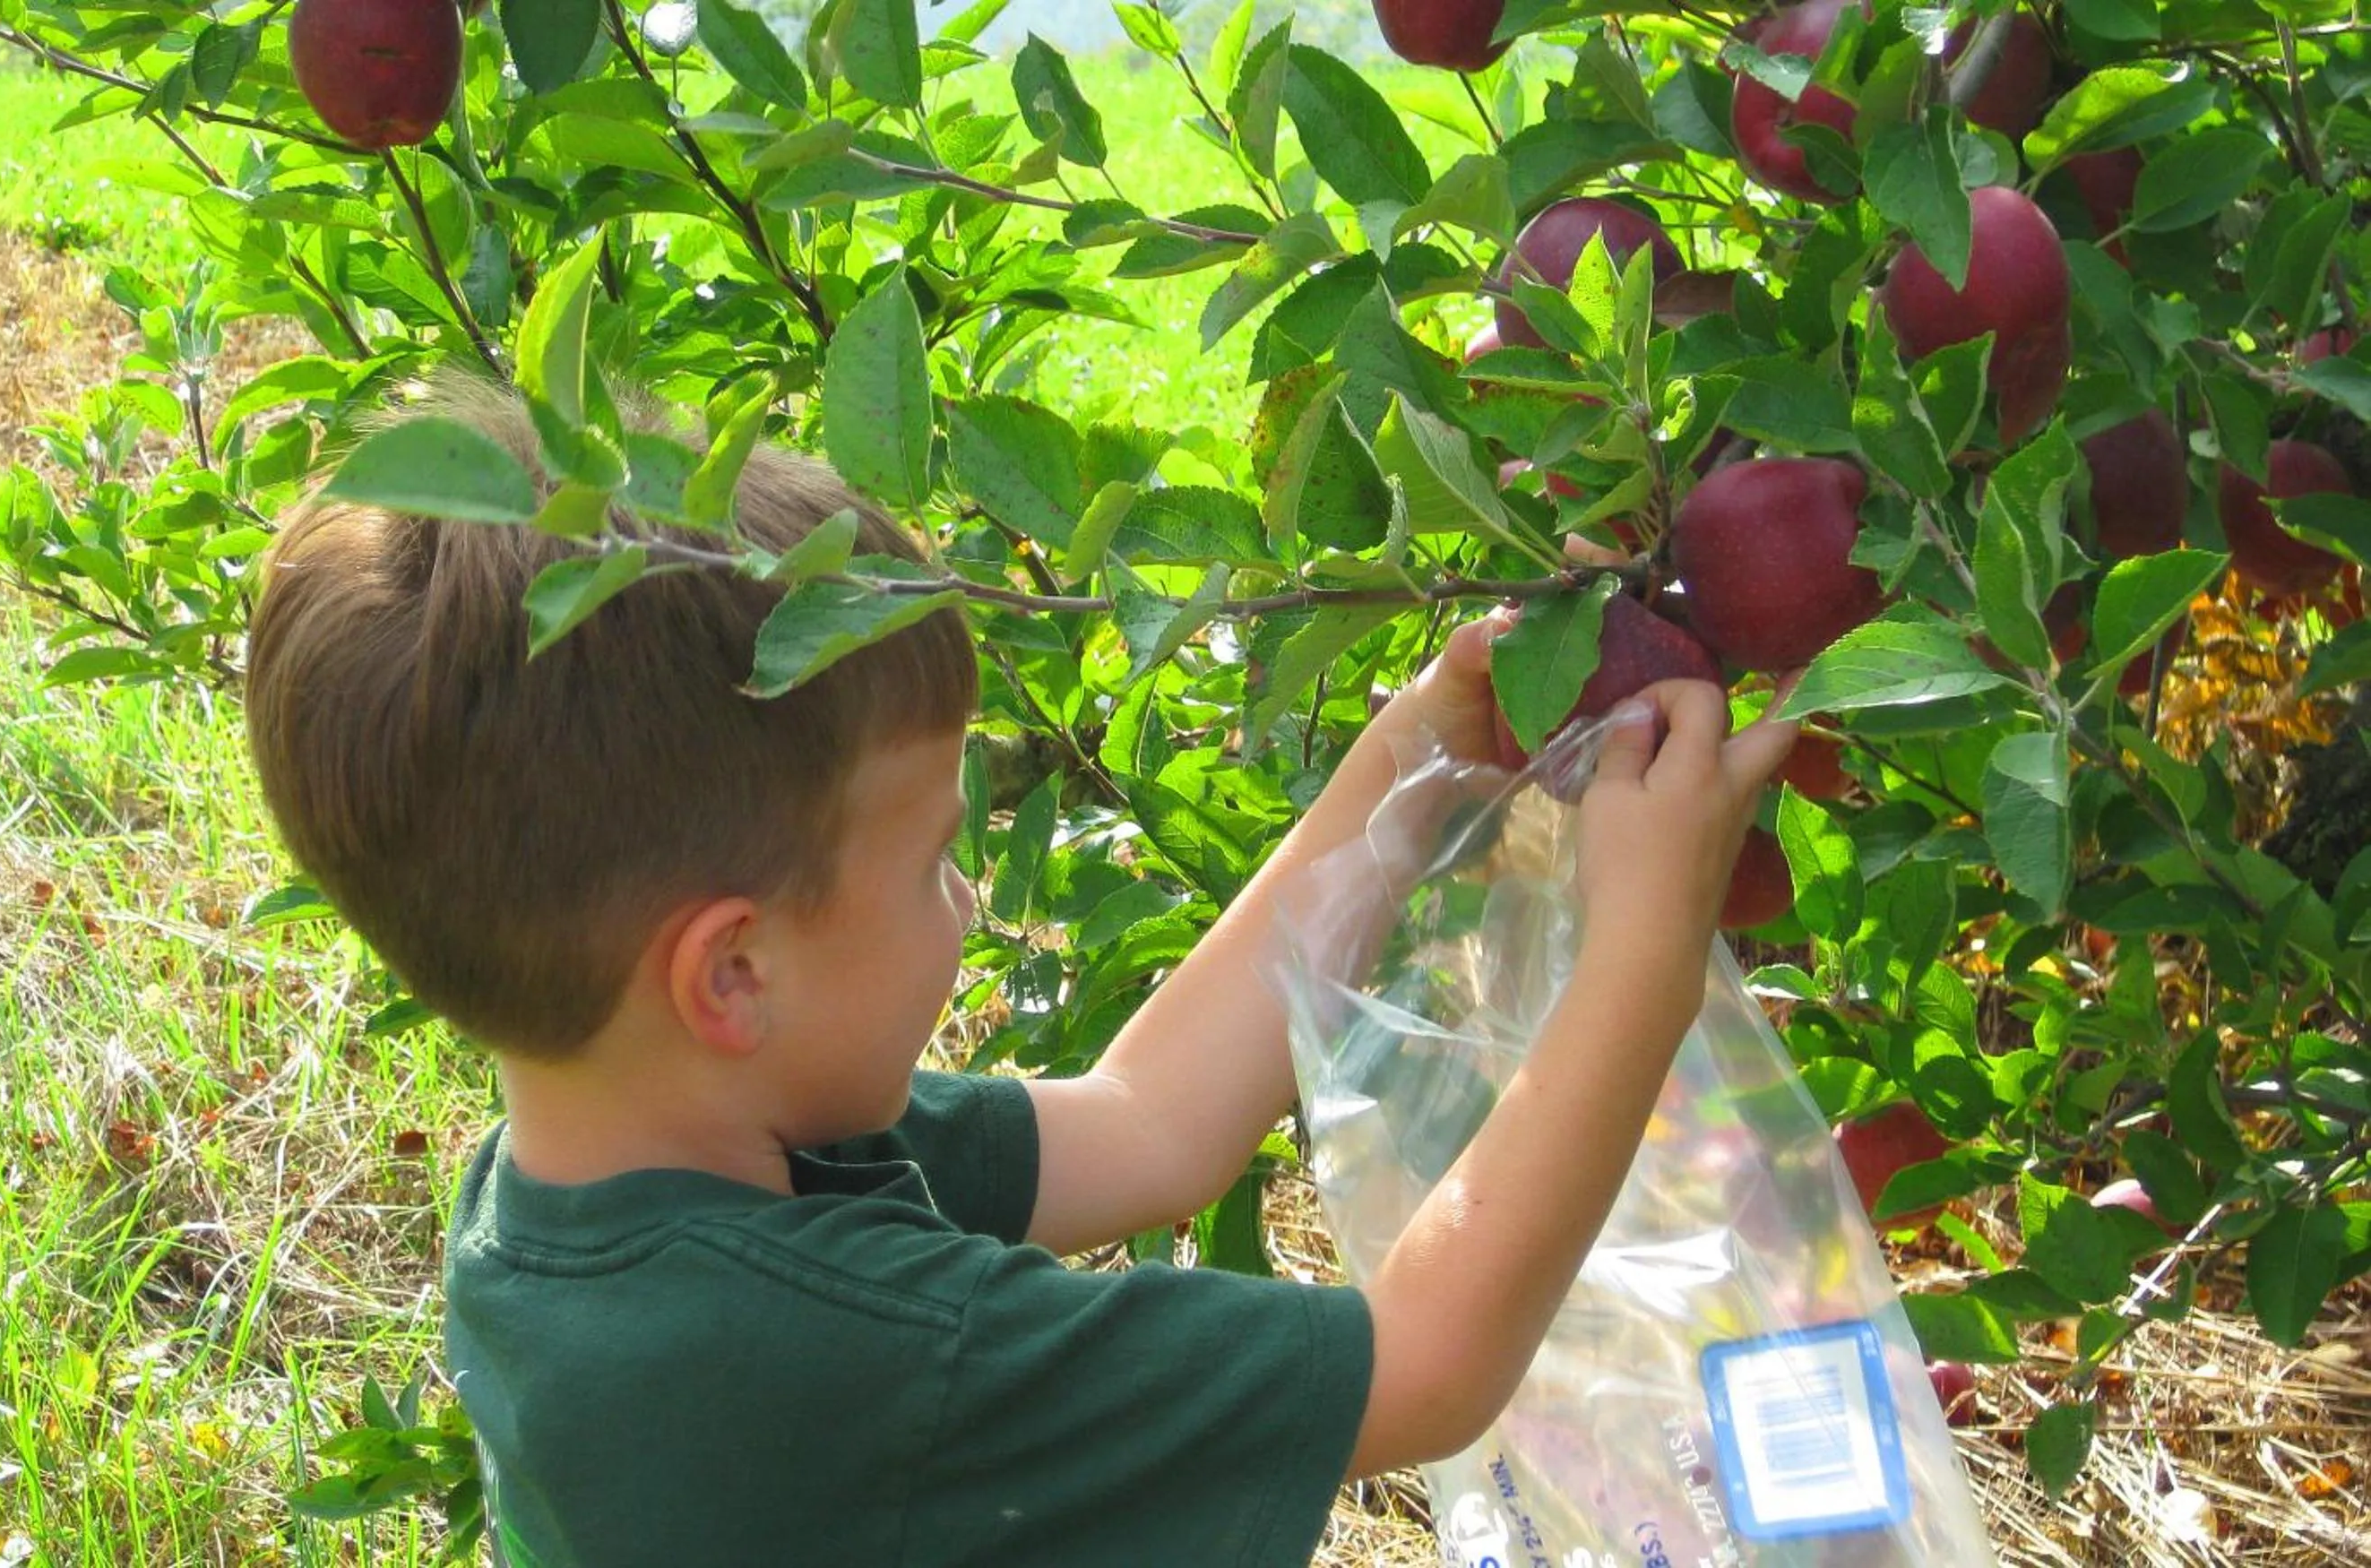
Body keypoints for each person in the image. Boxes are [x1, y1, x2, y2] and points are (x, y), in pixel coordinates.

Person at [243, 371, 1795, 1565]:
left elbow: (1148, 1121)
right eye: (929, 859)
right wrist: (1647, 950)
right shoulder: (818, 1355)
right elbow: (1427, 1368)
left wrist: (1420, 747)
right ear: (731, 975)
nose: (970, 897)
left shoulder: (615, 1177)